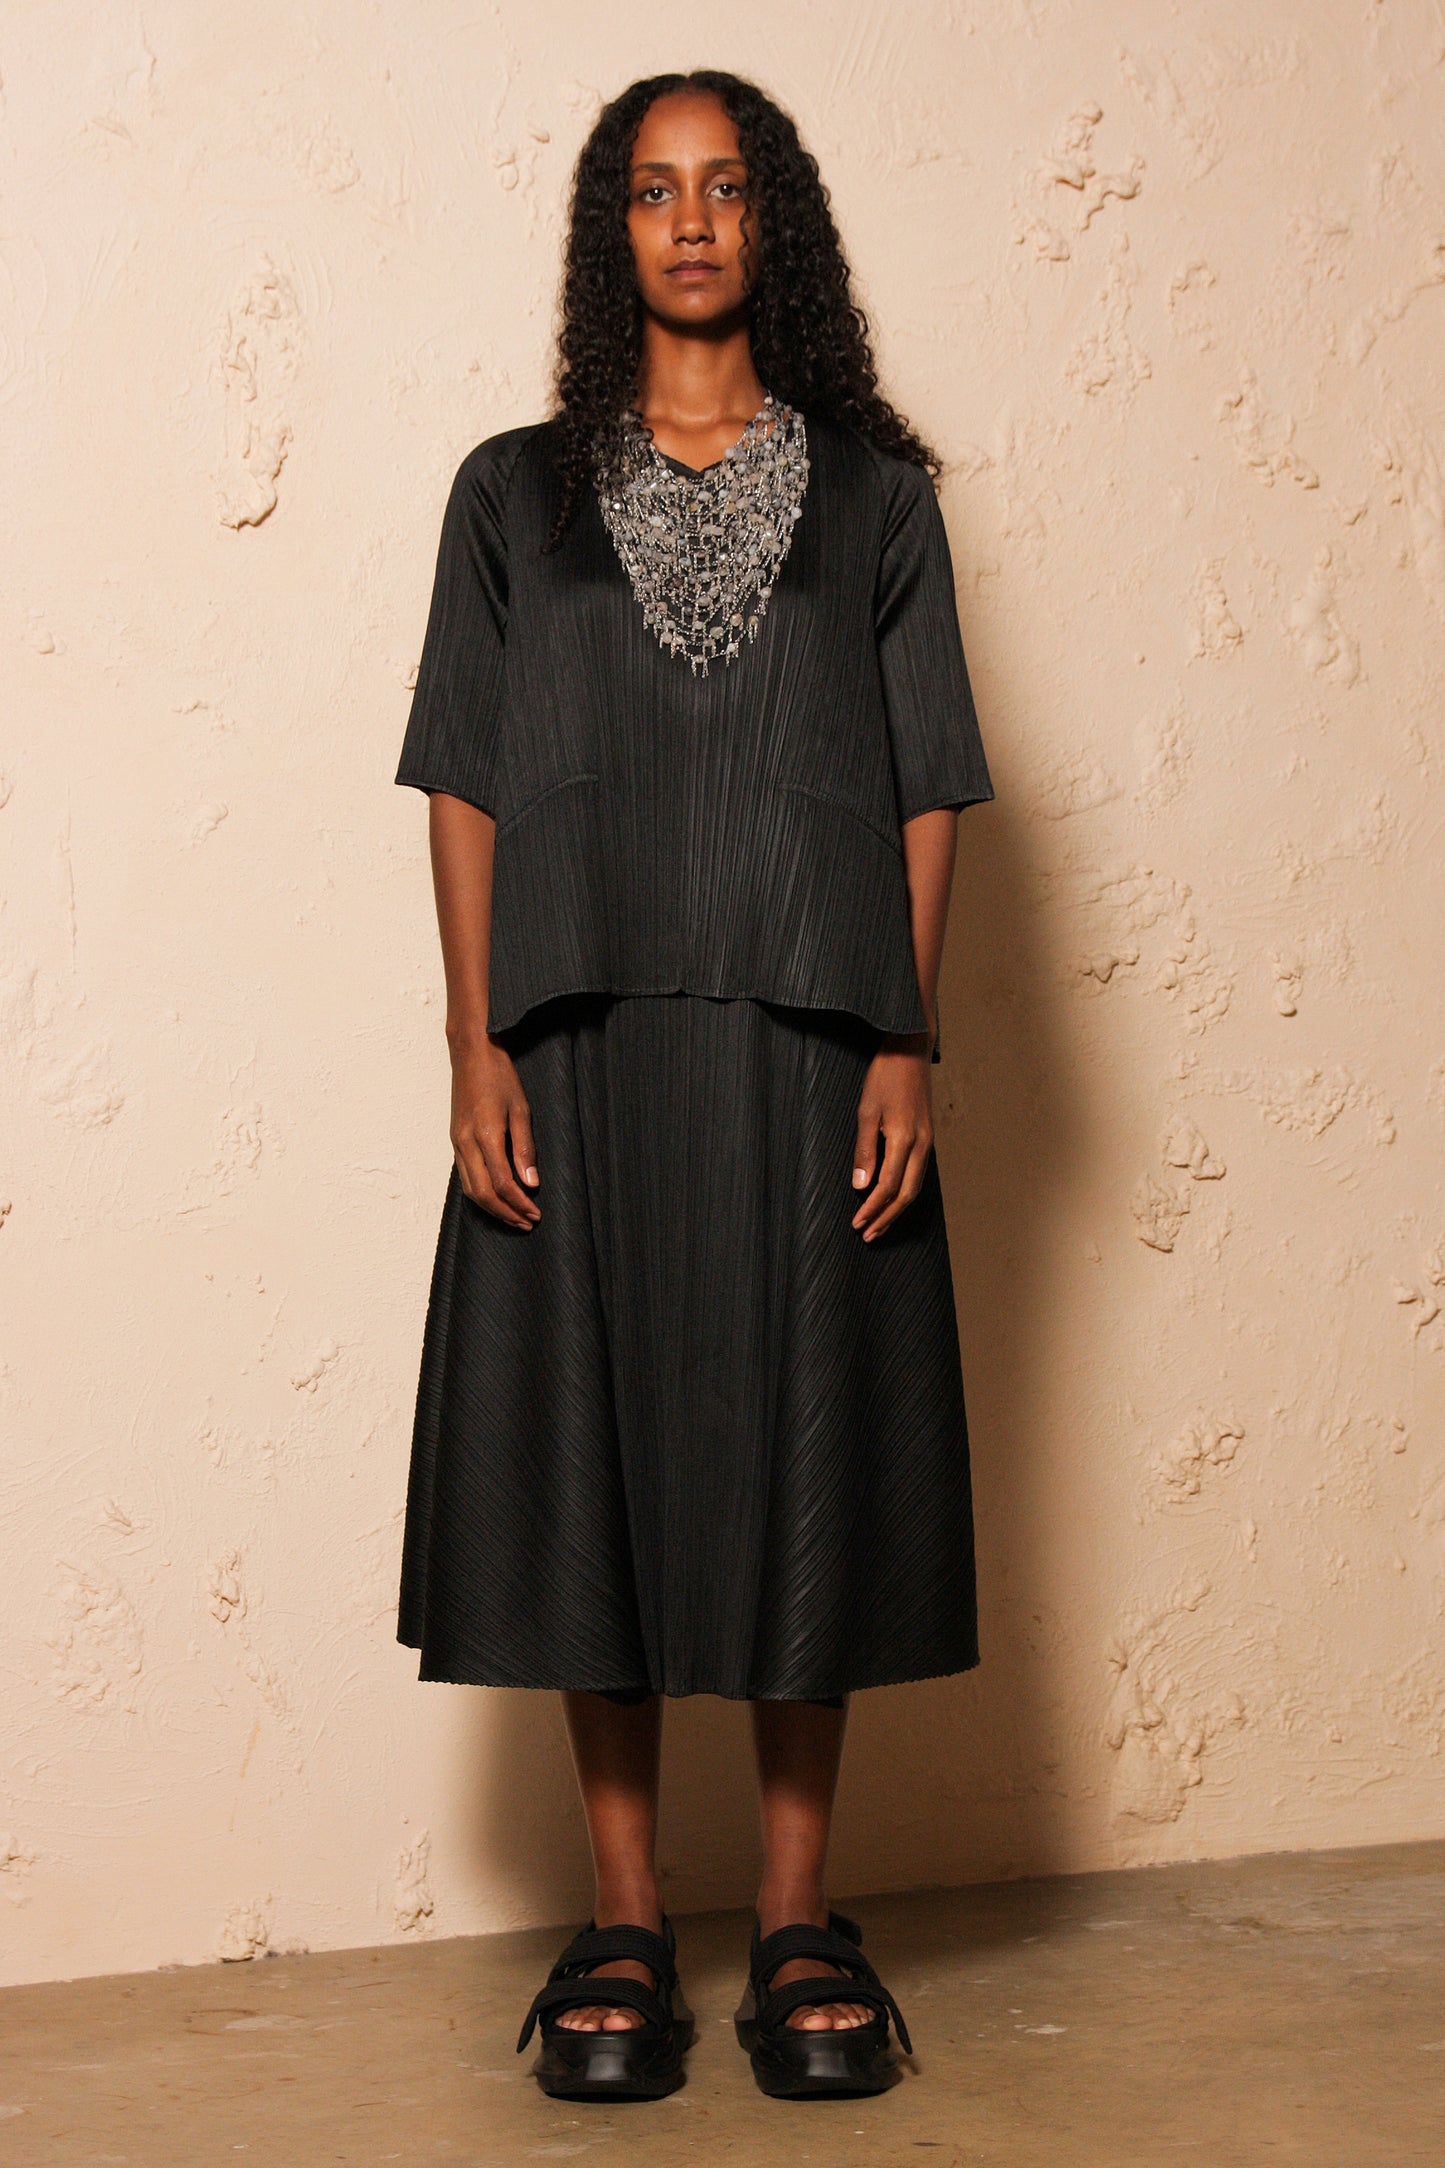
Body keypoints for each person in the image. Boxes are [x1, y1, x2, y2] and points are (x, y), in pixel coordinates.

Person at [392, 68, 994, 2104]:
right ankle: (628, 1920)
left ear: (772, 222)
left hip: (814, 1035)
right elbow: (463, 778)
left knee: (808, 1449)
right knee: (596, 1455)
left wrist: (905, 1034)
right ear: (614, 232)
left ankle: (803, 1918)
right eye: (654, 191)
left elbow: (927, 783)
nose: (693, 220)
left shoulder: (878, 500)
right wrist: (474, 1039)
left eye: (726, 187)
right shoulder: (512, 495)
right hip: (576, 1039)